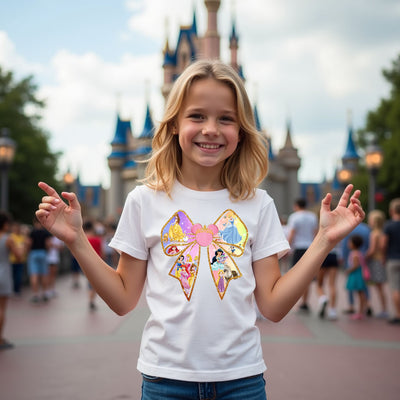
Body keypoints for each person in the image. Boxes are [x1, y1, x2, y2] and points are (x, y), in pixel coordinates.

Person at [35, 60, 365, 399]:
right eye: (197, 116)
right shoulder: (144, 201)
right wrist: (76, 242)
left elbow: (273, 307)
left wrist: (323, 241)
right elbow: (122, 300)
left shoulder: (259, 204)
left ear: (242, 130)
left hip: (242, 380)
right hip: (166, 380)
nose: (211, 129)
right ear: (175, 124)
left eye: (226, 118)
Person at [287, 198, 318, 312]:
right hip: (309, 248)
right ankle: (305, 302)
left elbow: (292, 233)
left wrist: (287, 247)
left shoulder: (294, 217)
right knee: (307, 277)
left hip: (298, 248)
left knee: (295, 276)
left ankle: (292, 301)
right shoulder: (312, 216)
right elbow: (315, 233)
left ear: (296, 206)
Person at [0, 212, 22, 350]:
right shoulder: (8, 239)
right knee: (1, 309)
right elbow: (18, 256)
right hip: (3, 273)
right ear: (6, 224)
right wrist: (23, 246)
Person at [341, 221, 372, 315]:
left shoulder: (347, 227)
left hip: (353, 264)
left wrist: (343, 259)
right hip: (363, 259)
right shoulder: (367, 229)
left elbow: (344, 245)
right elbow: (369, 244)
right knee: (363, 287)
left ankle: (352, 306)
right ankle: (368, 304)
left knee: (354, 288)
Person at [365, 210, 388, 318]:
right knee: (380, 287)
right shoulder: (383, 232)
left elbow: (372, 249)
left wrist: (364, 257)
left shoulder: (374, 234)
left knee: (377, 287)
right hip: (381, 261)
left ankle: (383, 310)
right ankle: (384, 309)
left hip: (375, 261)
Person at [382, 198, 400, 324]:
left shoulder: (388, 226)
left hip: (393, 260)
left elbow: (384, 245)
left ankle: (398, 315)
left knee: (395, 288)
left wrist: (383, 257)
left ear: (392, 210)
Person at [27, 216, 52, 303]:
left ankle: (35, 294)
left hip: (33, 253)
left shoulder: (32, 232)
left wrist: (28, 252)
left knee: (34, 274)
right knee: (44, 274)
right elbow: (48, 244)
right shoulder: (45, 232)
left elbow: (28, 243)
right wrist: (47, 251)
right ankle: (45, 293)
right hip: (43, 253)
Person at [345, 234, 369, 320]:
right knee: (360, 292)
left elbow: (355, 265)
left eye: (350, 242)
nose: (348, 243)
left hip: (357, 275)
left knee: (360, 293)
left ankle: (360, 312)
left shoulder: (355, 254)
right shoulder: (359, 253)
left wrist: (348, 271)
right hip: (358, 274)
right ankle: (362, 310)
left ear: (354, 244)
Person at [9, 221, 29, 297]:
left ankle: (17, 290)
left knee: (18, 276)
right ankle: (13, 290)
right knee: (13, 276)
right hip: (12, 260)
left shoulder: (22, 237)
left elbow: (26, 247)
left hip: (20, 260)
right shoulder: (11, 237)